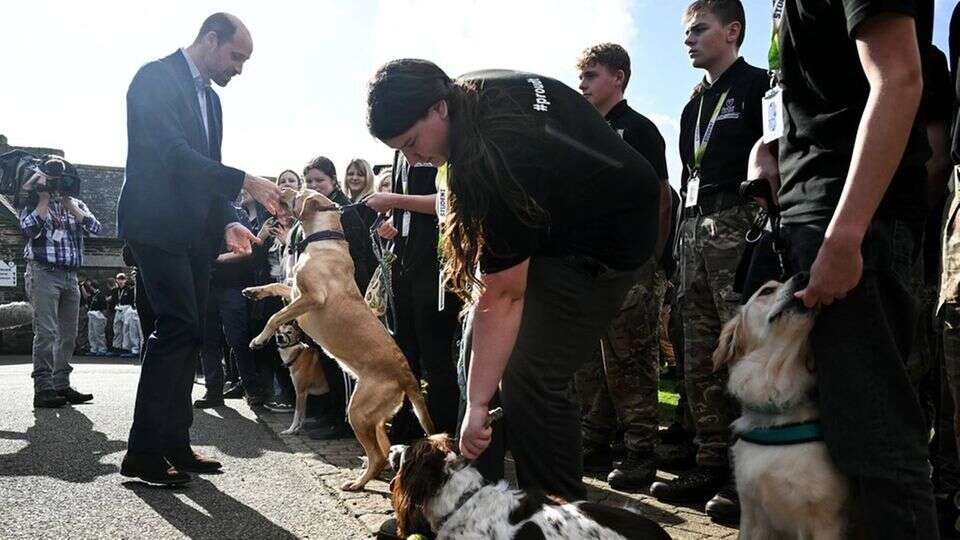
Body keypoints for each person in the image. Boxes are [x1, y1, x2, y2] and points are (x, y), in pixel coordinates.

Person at [367, 59, 662, 501]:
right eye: (401, 150)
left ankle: (559, 519)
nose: (415, 159)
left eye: (411, 143)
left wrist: (481, 406)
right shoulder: (471, 93)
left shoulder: (496, 156)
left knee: (529, 377)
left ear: (439, 108)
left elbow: (503, 295)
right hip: (559, 227)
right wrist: (479, 399)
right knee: (475, 350)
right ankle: (473, 500)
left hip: (606, 247)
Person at [752, 0, 939, 534]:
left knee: (874, 437)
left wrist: (846, 233)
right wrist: (769, 151)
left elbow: (899, 79)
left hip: (852, 222)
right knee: (835, 436)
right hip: (811, 212)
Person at [118, 12, 281, 486]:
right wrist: (244, 180)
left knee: (192, 333)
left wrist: (228, 218)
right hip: (155, 225)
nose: (239, 69)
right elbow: (172, 156)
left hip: (194, 234)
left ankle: (175, 444)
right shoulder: (154, 79)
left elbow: (203, 174)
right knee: (177, 326)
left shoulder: (212, 100)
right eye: (236, 57)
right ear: (211, 40)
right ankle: (142, 452)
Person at [649, 1, 767, 522]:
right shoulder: (694, 104)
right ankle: (710, 460)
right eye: (686, 31)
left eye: (699, 29)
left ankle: (751, 476)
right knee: (698, 358)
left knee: (744, 352)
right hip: (693, 232)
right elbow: (682, 179)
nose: (688, 40)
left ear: (733, 31)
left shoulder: (760, 86)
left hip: (738, 224)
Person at [573, 42, 671, 492]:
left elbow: (661, 198)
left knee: (630, 362)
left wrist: (650, 258)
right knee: (590, 362)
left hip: (630, 268)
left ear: (619, 77)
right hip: (589, 268)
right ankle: (595, 442)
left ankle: (639, 453)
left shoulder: (639, 130)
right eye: (581, 77)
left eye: (591, 76)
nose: (582, 85)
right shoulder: (581, 132)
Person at [364, 153, 464, 441]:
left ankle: (443, 435)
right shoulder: (398, 155)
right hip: (404, 264)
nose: (407, 148)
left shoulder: (445, 148)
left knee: (436, 357)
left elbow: (447, 203)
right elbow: (406, 211)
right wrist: (391, 223)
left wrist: (394, 200)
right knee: (405, 354)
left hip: (437, 267)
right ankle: (406, 431)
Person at [18, 176, 101, 408]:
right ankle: (43, 388)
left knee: (68, 334)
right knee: (46, 332)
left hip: (70, 275)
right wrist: (43, 198)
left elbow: (95, 228)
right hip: (43, 272)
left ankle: (61, 384)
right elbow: (28, 230)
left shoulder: (77, 204)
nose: (58, 185)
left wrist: (70, 205)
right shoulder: (33, 202)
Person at [108, 273, 135, 355]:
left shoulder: (129, 290)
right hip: (118, 309)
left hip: (126, 309)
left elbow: (131, 301)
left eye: (122, 279)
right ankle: (116, 346)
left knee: (125, 329)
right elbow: (113, 301)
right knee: (117, 329)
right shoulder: (114, 291)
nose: (121, 281)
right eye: (119, 279)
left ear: (125, 280)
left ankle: (126, 347)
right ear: (116, 280)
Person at [85, 280, 109, 356]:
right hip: (91, 314)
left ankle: (102, 349)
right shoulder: (92, 295)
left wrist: (102, 316)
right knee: (91, 333)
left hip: (98, 314)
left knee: (99, 333)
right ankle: (94, 349)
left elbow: (104, 306)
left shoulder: (100, 295)